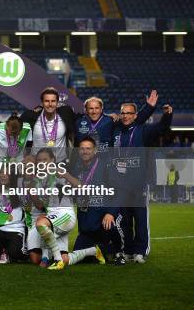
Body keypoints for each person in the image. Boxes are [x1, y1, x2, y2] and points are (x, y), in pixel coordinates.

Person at [111, 101, 173, 263]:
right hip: (120, 184)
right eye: (123, 113)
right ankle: (128, 250)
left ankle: (140, 252)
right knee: (124, 220)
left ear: (135, 116)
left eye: (129, 113)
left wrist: (167, 115)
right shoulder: (116, 131)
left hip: (139, 184)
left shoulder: (143, 131)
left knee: (140, 219)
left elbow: (161, 128)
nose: (125, 116)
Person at [67, 137, 124, 266]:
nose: (85, 151)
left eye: (88, 148)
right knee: (78, 256)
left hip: (104, 220)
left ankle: (117, 251)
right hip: (87, 225)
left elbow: (118, 191)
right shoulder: (76, 169)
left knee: (113, 228)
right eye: (82, 148)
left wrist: (111, 213)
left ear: (95, 150)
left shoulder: (105, 166)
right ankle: (98, 251)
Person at [75, 92, 156, 151]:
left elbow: (133, 120)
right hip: (84, 161)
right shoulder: (78, 122)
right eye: (91, 108)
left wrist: (149, 107)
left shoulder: (110, 120)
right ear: (86, 110)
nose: (94, 111)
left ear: (101, 109)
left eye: (97, 108)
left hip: (105, 163)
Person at [21, 87, 76, 162]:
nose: (50, 104)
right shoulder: (30, 116)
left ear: (57, 102)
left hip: (60, 163)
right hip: (37, 163)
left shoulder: (65, 113)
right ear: (42, 102)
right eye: (47, 101)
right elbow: (14, 127)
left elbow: (78, 120)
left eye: (53, 101)